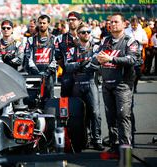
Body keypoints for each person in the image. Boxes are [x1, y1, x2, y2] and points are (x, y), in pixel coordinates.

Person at [95, 13, 139, 154]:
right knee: (111, 118)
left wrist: (111, 59)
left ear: (124, 24)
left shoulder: (130, 41)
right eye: (111, 22)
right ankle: (114, 147)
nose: (112, 24)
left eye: (116, 22)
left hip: (123, 85)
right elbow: (97, 56)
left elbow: (132, 60)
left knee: (123, 116)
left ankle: (126, 150)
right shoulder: (105, 40)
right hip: (107, 84)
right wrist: (97, 58)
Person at [65, 23, 104, 151]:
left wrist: (80, 65)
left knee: (95, 113)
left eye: (88, 32)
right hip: (77, 84)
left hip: (91, 83)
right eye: (83, 32)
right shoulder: (71, 50)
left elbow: (96, 65)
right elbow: (67, 67)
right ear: (78, 34)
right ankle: (83, 139)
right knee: (79, 114)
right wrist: (82, 64)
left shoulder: (96, 48)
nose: (86, 34)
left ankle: (97, 139)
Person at [24, 14, 57, 101]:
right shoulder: (31, 40)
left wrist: (49, 70)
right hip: (34, 73)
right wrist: (35, 70)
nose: (42, 25)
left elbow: (56, 56)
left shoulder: (54, 39)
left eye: (44, 23)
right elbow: (28, 56)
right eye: (40, 23)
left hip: (49, 73)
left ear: (48, 24)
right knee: (32, 100)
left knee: (49, 100)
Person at [55, 11, 82, 97]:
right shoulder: (60, 38)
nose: (70, 22)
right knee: (66, 102)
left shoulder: (87, 35)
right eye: (69, 20)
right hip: (67, 74)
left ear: (80, 21)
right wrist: (68, 67)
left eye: (73, 20)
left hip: (83, 74)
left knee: (86, 104)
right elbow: (58, 57)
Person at [125, 16, 148, 93]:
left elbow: (146, 41)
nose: (134, 27)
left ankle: (135, 85)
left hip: (138, 53)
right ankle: (130, 86)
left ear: (138, 24)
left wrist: (138, 41)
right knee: (129, 71)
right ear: (130, 24)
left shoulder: (142, 31)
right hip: (128, 53)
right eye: (132, 25)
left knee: (138, 72)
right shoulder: (126, 31)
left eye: (135, 25)